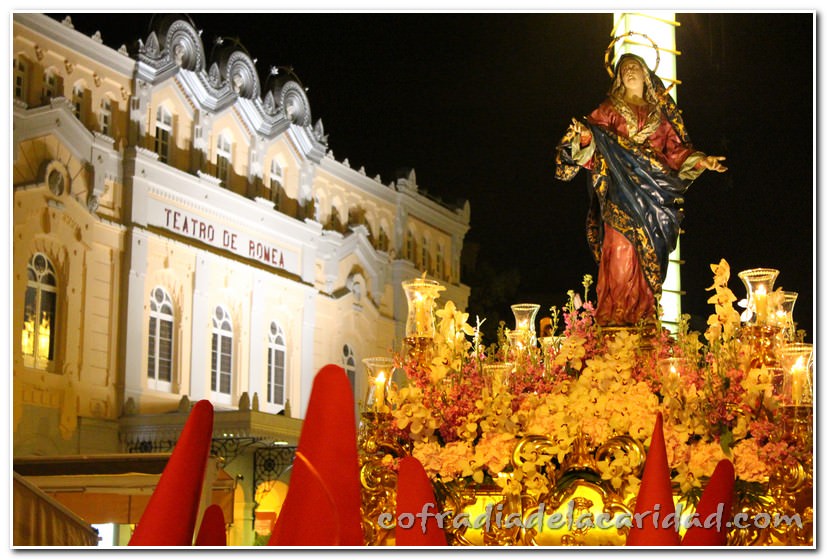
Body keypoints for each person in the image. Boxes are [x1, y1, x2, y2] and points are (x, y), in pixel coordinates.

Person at [555, 53, 727, 327]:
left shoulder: (659, 113)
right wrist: (585, 137)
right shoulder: (609, 109)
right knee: (619, 250)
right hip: (619, 193)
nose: (629, 71)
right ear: (618, 79)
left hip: (655, 197)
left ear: (646, 75)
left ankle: (645, 319)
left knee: (650, 257)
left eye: (635, 66)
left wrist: (702, 161)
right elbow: (595, 140)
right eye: (624, 69)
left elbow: (675, 151)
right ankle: (616, 319)